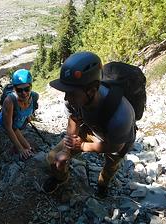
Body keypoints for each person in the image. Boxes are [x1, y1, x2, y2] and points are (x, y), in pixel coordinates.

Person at [42, 51, 136, 196]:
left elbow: (114, 147)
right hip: (91, 128)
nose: (66, 97)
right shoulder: (74, 99)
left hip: (117, 141)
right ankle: (60, 178)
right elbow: (74, 118)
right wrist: (67, 150)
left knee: (110, 165)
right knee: (53, 157)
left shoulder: (120, 116)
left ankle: (102, 184)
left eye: (71, 92)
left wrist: (83, 146)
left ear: (92, 90)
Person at [0, 69, 39, 160]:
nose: (23, 93)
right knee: (27, 148)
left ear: (31, 87)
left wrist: (29, 116)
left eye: (26, 89)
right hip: (8, 125)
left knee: (28, 148)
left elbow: (31, 109)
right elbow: (8, 127)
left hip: (18, 124)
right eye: (19, 90)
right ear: (14, 89)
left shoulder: (34, 96)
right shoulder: (9, 101)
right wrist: (21, 149)